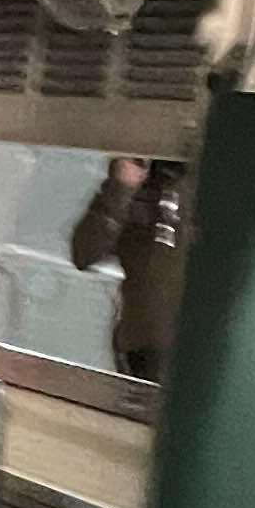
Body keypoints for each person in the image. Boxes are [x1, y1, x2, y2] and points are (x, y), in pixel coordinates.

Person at [70, 156, 187, 382]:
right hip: (143, 352)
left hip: (206, 349)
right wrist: (121, 187)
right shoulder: (141, 179)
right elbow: (84, 253)